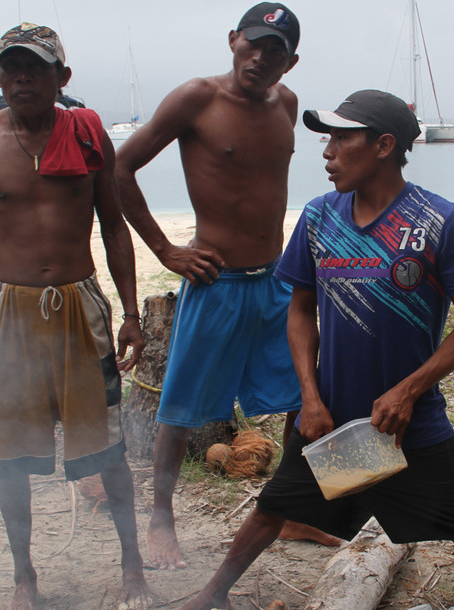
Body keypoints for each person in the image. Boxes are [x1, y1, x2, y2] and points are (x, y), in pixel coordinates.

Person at [178, 90, 454, 610]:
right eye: (327, 138)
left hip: (405, 426)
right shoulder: (321, 218)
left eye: (343, 137)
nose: (327, 150)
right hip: (335, 422)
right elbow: (299, 309)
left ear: (384, 145)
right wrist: (309, 396)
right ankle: (209, 597)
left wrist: (409, 391)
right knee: (273, 509)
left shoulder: (439, 222)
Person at [114, 2, 340, 571]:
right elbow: (118, 168)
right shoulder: (197, 97)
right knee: (181, 407)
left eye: (277, 51)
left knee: (303, 395)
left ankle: (289, 509)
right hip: (215, 282)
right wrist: (166, 249)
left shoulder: (286, 103)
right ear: (233, 39)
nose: (261, 58)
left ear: (291, 62)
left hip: (278, 279)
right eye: (254, 44)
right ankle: (161, 517)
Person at [0, 23, 149, 610]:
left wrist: (131, 312)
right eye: (10, 67)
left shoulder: (87, 134)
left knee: (109, 449)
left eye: (35, 67)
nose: (21, 77)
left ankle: (133, 569)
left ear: (63, 78)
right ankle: (25, 576)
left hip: (81, 306)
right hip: (11, 312)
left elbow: (113, 225)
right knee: (10, 458)